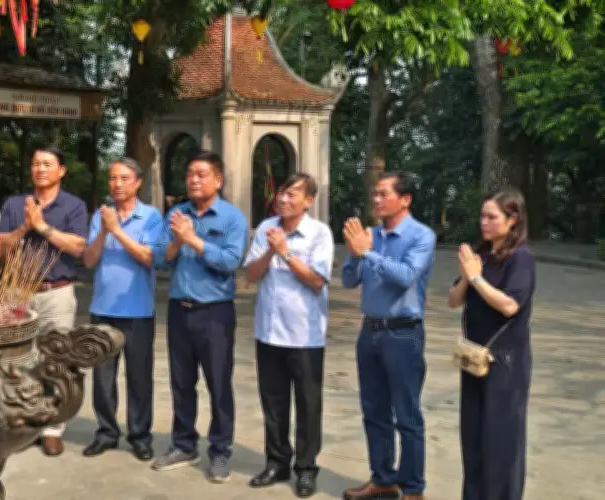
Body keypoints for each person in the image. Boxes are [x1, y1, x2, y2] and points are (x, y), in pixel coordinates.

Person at [150, 150, 248, 483]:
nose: (193, 179)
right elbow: (160, 259)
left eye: (201, 174)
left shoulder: (232, 218)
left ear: (218, 180)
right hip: (180, 311)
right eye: (190, 173)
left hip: (215, 313)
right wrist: (178, 241)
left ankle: (220, 451)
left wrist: (192, 239)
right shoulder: (176, 214)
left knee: (218, 384)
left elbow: (230, 262)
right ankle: (184, 444)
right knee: (181, 383)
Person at [340, 172, 436, 500]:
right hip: (370, 332)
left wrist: (367, 253)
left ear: (405, 199)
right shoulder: (370, 235)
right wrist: (355, 254)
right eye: (375, 194)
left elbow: (406, 276)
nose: (377, 200)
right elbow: (348, 281)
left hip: (402, 333)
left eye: (384, 194)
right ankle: (382, 478)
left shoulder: (421, 236)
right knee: (374, 411)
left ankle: (413, 488)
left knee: (407, 415)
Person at [243, 173, 334, 498]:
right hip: (269, 333)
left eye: (292, 194)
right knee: (273, 403)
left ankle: (306, 468)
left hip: (305, 335)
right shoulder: (267, 228)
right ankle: (277, 462)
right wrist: (270, 251)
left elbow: (317, 280)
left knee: (308, 405)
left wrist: (285, 252)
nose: (283, 199)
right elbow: (251, 275)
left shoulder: (319, 233)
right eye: (282, 193)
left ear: (308, 201)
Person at [0, 146, 88, 457]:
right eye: (35, 163)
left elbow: (79, 248)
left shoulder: (73, 206)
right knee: (18, 359)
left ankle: (53, 428)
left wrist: (43, 227)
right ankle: (24, 422)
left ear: (62, 170)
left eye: (47, 164)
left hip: (56, 292)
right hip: (17, 292)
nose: (40, 169)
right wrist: (25, 226)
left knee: (56, 359)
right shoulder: (14, 204)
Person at [447, 189, 535, 500]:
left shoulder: (520, 258)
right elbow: (453, 300)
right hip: (475, 358)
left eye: (492, 217)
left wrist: (477, 279)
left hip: (506, 362)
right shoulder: (480, 255)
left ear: (512, 220)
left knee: (501, 441)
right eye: (482, 216)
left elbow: (510, 306)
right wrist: (466, 277)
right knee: (473, 438)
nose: (484, 222)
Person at [81, 158, 163, 462]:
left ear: (138, 182)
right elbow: (89, 260)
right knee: (103, 377)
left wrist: (116, 230)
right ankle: (106, 432)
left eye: (124, 178)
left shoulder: (151, 216)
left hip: (138, 311)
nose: (117, 184)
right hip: (103, 308)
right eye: (112, 178)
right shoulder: (100, 216)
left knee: (139, 377)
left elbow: (149, 257)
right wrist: (104, 230)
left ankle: (140, 436)